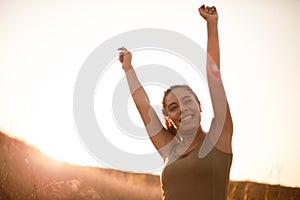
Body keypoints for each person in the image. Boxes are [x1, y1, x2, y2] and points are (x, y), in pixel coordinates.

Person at [118, 4, 233, 200]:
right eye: (173, 107)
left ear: (199, 106)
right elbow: (143, 106)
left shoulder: (218, 139)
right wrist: (128, 68)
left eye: (187, 101)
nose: (183, 109)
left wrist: (212, 25)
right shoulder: (170, 149)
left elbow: (214, 78)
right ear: (168, 117)